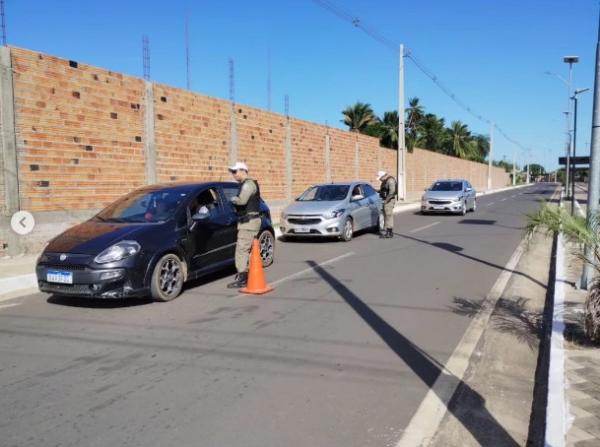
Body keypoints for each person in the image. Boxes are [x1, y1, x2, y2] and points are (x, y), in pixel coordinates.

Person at [227, 162, 262, 289]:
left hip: (248, 223)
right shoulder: (246, 184)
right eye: (232, 172)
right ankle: (247, 274)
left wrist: (231, 199)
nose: (233, 174)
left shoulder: (248, 184)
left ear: (243, 171)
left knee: (241, 250)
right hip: (248, 221)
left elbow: (242, 200)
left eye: (235, 171)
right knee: (247, 249)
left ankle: (242, 278)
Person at [377, 170, 397, 238]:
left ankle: (389, 232)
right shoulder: (385, 181)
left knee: (388, 215)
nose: (380, 179)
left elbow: (392, 192)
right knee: (387, 215)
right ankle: (388, 231)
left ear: (383, 176)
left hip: (389, 200)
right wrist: (378, 191)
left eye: (380, 178)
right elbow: (384, 190)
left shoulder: (390, 181)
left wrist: (386, 200)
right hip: (386, 200)